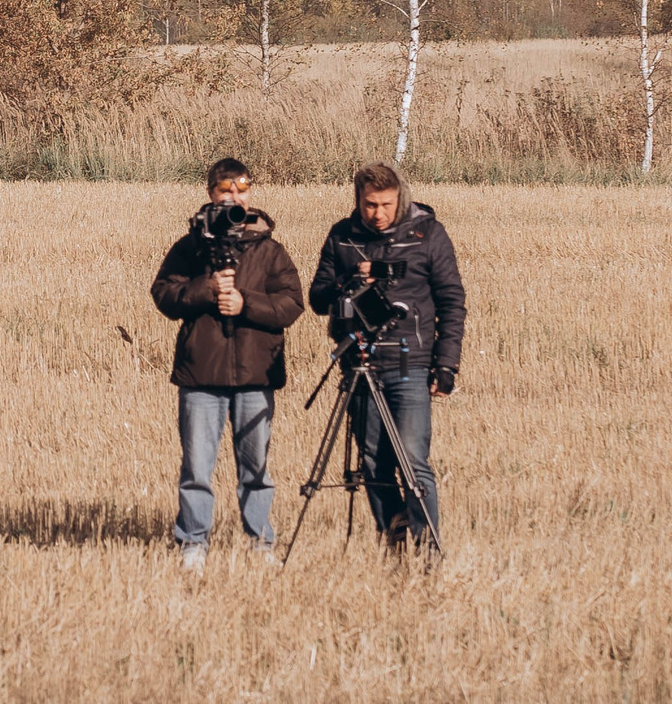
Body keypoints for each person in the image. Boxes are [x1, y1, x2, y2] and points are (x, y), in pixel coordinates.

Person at [150, 157, 305, 570]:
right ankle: (193, 543)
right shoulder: (189, 247)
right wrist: (205, 288)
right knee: (197, 467)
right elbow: (164, 295)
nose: (234, 198)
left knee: (256, 468)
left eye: (241, 190)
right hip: (201, 373)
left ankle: (260, 542)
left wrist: (245, 302)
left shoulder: (269, 250)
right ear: (210, 194)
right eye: (225, 191)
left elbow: (292, 304)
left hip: (256, 374)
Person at [309, 162, 465, 554]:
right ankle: (394, 538)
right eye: (369, 205)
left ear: (401, 198)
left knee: (413, 462)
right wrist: (352, 281)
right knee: (373, 465)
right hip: (359, 365)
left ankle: (428, 550)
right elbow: (317, 298)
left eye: (385, 205)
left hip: (409, 362)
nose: (377, 214)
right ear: (358, 200)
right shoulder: (342, 237)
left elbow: (452, 301)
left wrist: (446, 364)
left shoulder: (427, 234)